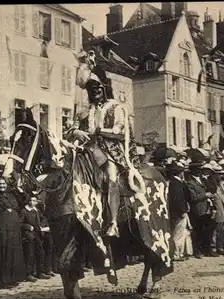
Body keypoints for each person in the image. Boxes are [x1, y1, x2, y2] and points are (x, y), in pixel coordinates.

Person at [68, 50, 137, 237]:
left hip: (110, 151)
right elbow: (70, 129)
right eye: (91, 89)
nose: (95, 92)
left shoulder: (115, 107)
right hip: (86, 150)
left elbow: (119, 131)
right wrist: (76, 131)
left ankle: (113, 222)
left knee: (112, 179)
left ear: (104, 88)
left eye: (98, 88)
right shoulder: (83, 112)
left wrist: (98, 131)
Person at [0, 174, 26, 288]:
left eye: (4, 184)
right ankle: (3, 280)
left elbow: (24, 202)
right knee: (4, 251)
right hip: (2, 226)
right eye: (0, 184)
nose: (2, 186)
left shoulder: (11, 195)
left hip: (14, 227)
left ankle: (14, 278)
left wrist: (20, 190)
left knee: (14, 251)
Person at [21, 193, 52, 281]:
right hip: (29, 235)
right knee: (30, 254)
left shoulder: (36, 210)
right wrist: (27, 226)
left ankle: (40, 272)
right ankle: (29, 273)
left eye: (34, 201)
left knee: (40, 252)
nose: (32, 202)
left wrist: (41, 225)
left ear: (36, 202)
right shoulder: (24, 211)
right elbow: (20, 223)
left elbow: (43, 218)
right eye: (30, 200)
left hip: (38, 234)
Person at [186, 161, 215, 258]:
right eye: (197, 170)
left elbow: (211, 188)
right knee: (197, 230)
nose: (199, 172)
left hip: (207, 208)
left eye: (200, 170)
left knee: (207, 230)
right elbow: (193, 197)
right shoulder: (190, 182)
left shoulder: (203, 180)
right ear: (193, 171)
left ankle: (207, 249)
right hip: (198, 209)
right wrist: (205, 195)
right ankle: (197, 250)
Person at [167, 161, 192, 261]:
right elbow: (178, 199)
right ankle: (176, 254)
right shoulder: (176, 184)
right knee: (178, 234)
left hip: (176, 212)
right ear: (180, 173)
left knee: (177, 233)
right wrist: (182, 210)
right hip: (178, 212)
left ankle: (178, 253)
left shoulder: (174, 182)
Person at [211, 166, 224, 256]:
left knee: (222, 229)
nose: (221, 176)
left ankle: (220, 246)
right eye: (219, 174)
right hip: (217, 209)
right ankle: (213, 247)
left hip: (223, 209)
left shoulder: (221, 184)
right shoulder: (212, 184)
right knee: (215, 229)